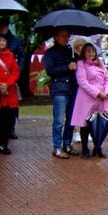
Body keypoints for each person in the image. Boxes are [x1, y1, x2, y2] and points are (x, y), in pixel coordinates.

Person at [71, 43, 108, 159]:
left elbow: (107, 79)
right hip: (87, 98)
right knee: (86, 124)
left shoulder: (100, 63)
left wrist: (107, 93)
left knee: (99, 124)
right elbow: (82, 82)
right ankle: (85, 149)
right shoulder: (81, 64)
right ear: (84, 53)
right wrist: (97, 93)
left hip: (101, 99)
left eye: (93, 51)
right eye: (88, 51)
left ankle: (97, 147)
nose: (91, 54)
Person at [44, 28, 80, 159]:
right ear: (56, 37)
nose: (66, 38)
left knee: (71, 119)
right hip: (59, 89)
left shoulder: (71, 52)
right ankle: (57, 146)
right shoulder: (50, 53)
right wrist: (67, 67)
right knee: (59, 120)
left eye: (67, 36)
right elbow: (50, 70)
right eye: (63, 36)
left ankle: (67, 143)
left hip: (72, 88)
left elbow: (78, 66)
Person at [0, 16, 25, 140]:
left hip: (11, 78)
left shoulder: (15, 40)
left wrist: (18, 71)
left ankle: (11, 128)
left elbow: (21, 57)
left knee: (11, 107)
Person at [0, 32, 20, 154]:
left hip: (8, 92)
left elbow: (15, 72)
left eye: (3, 41)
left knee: (7, 119)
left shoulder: (10, 55)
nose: (2, 43)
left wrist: (7, 84)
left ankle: (3, 144)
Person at [71, 37, 87, 143]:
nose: (81, 49)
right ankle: (75, 132)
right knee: (74, 111)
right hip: (74, 87)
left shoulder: (86, 59)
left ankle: (83, 131)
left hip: (84, 89)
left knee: (84, 111)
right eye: (79, 47)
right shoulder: (73, 58)